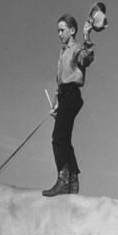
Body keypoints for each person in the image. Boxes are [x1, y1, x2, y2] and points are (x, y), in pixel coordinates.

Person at [42, 13, 95, 197]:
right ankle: (72, 181)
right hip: (65, 95)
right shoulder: (63, 51)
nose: (59, 34)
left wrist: (87, 36)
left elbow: (86, 59)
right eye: (58, 30)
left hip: (72, 94)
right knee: (64, 138)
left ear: (72, 30)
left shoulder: (76, 48)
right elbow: (60, 81)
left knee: (58, 137)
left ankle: (63, 181)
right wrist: (56, 102)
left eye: (62, 30)